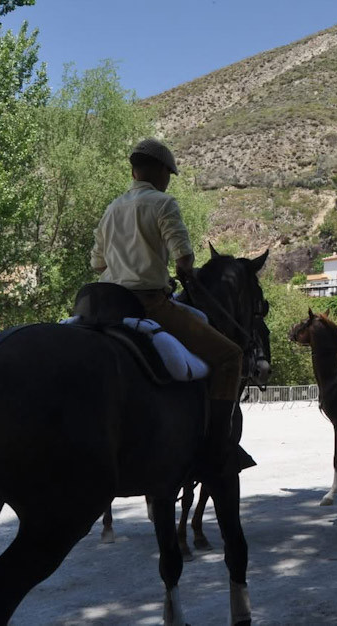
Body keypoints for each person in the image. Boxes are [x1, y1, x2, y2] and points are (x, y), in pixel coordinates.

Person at [90, 138, 243, 474]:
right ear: (160, 172)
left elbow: (98, 265)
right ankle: (218, 448)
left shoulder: (111, 208)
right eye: (169, 174)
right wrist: (181, 271)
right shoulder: (163, 204)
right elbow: (185, 259)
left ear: (133, 170)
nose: (169, 180)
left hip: (104, 305)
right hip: (149, 305)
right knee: (231, 356)